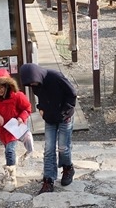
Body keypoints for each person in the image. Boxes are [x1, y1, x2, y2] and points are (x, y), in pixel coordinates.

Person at [19, 63, 78, 194]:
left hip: (65, 117)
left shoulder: (55, 76)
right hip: (50, 119)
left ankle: (68, 168)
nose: (33, 85)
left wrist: (65, 111)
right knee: (49, 149)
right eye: (30, 84)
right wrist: (41, 109)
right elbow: (42, 98)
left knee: (63, 147)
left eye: (33, 82)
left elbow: (72, 93)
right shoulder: (35, 84)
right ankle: (48, 180)